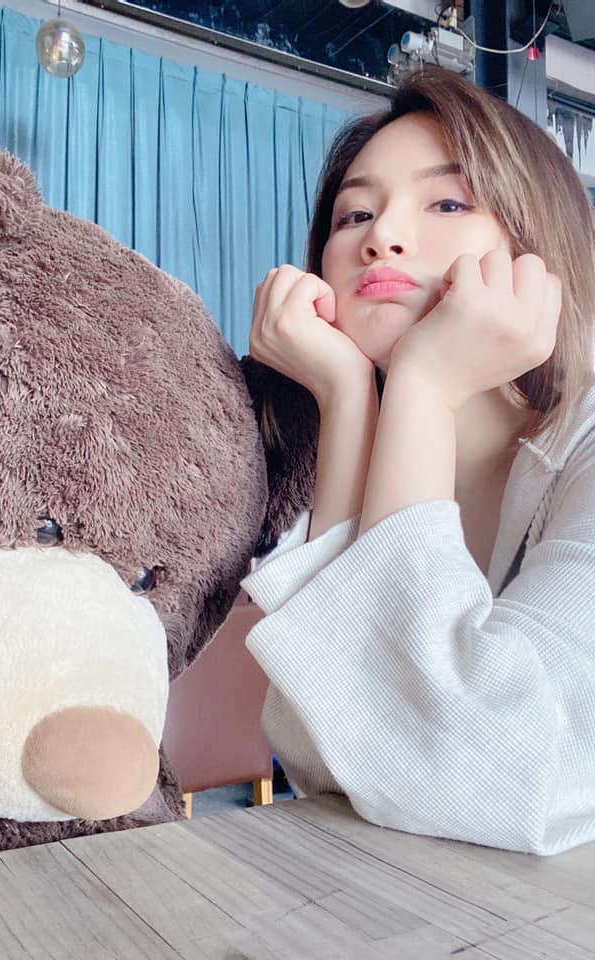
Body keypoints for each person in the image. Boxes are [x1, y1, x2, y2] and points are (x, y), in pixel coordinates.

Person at [242, 65, 595, 855]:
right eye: (354, 214)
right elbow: (324, 759)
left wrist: (427, 383)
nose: (381, 237)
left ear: (540, 248)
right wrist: (347, 399)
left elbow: (516, 778)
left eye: (447, 203)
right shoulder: (366, 438)